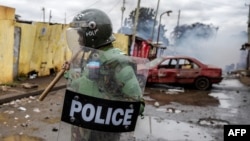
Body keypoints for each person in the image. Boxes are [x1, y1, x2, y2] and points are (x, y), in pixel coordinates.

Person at [63, 8, 146, 141]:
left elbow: (138, 105)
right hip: (85, 132)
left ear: (93, 33)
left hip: (104, 135)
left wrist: (106, 106)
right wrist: (69, 74)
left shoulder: (118, 63)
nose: (78, 39)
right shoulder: (95, 57)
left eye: (80, 34)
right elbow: (88, 82)